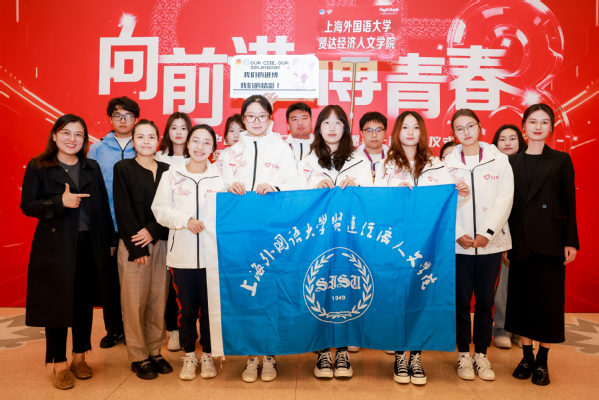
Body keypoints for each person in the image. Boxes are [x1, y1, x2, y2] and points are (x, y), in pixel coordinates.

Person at [373, 111, 470, 385]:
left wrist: (462, 194)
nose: (410, 132)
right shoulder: (385, 164)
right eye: (405, 127)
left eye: (415, 127)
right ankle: (399, 356)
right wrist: (394, 194)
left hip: (428, 245)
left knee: (422, 298)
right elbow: (375, 203)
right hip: (395, 245)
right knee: (398, 299)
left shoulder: (436, 164)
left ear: (422, 132)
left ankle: (415, 357)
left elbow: (447, 204)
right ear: (397, 132)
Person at [20, 115, 115, 389]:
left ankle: (80, 356)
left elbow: (103, 206)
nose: (72, 139)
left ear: (84, 140)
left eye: (78, 134)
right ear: (55, 135)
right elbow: (28, 205)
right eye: (66, 133)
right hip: (56, 246)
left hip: (90, 245)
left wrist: (109, 241)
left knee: (84, 303)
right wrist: (59, 202)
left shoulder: (91, 166)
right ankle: (59, 362)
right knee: (57, 304)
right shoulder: (39, 165)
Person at [217, 94, 303, 383]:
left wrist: (275, 187)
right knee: (245, 290)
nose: (256, 121)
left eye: (262, 116)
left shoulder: (282, 149)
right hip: (240, 234)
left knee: (270, 291)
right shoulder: (229, 154)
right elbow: (216, 188)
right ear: (242, 119)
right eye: (250, 116)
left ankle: (270, 355)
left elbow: (296, 185)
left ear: (270, 119)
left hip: (273, 232)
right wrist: (229, 187)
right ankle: (250, 355)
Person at [505, 104, 579, 386]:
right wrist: (504, 241)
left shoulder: (561, 160)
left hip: (551, 242)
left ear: (551, 127)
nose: (538, 127)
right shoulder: (511, 161)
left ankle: (542, 360)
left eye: (544, 122)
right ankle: (526, 356)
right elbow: (506, 205)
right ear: (523, 126)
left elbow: (569, 203)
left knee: (548, 303)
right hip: (520, 241)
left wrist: (571, 241)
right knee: (522, 302)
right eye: (533, 121)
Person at [297, 105, 372, 379]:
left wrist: (357, 189)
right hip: (316, 239)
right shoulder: (306, 163)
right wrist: (312, 190)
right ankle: (321, 351)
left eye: (337, 123)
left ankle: (341, 351)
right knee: (319, 290)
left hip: (349, 239)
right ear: (318, 128)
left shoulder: (359, 161)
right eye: (326, 123)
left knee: (345, 291)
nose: (331, 128)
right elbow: (295, 201)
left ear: (345, 128)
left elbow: (372, 200)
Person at [444, 109, 514, 382]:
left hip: (490, 244)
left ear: (480, 127)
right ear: (454, 134)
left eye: (470, 126)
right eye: (459, 128)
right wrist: (457, 233)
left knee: (485, 301)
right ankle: (463, 353)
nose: (466, 132)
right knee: (461, 301)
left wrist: (487, 232)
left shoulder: (499, 159)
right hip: (459, 245)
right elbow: (443, 202)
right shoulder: (447, 164)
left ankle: (482, 354)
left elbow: (505, 198)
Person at [153, 124, 227, 381]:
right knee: (186, 310)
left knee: (209, 310)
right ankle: (189, 354)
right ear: (187, 143)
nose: (200, 147)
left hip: (212, 258)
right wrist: (185, 220)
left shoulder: (221, 178)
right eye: (195, 141)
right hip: (181, 257)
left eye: (207, 142)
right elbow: (160, 210)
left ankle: (207, 354)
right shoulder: (171, 175)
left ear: (214, 148)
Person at [113, 120, 172, 380]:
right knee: (134, 302)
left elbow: (173, 207)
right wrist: (137, 248)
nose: (146, 141)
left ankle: (154, 351)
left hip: (162, 244)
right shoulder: (123, 168)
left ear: (158, 140)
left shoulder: (168, 170)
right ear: (133, 141)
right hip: (134, 245)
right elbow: (122, 209)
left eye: (151, 137)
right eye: (140, 137)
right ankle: (138, 356)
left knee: (158, 300)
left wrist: (153, 231)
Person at [87, 96, 140, 348]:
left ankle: (134, 329)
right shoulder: (97, 149)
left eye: (128, 115)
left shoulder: (143, 145)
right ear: (110, 119)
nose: (123, 120)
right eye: (118, 115)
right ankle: (114, 329)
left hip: (135, 225)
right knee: (108, 281)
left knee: (134, 283)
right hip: (105, 225)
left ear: (136, 120)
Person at [155, 112, 194, 352]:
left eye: (183, 128)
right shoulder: (158, 158)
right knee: (170, 286)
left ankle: (193, 329)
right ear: (167, 131)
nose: (179, 132)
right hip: (163, 230)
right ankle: (174, 330)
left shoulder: (198, 157)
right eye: (174, 128)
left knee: (189, 287)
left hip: (192, 231)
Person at [490, 125, 527, 350]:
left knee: (523, 283)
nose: (507, 143)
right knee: (503, 283)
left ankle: (520, 329)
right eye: (502, 139)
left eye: (512, 138)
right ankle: (501, 328)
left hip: (525, 232)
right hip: (499, 229)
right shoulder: (491, 166)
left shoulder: (528, 164)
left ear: (520, 141)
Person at [357, 111, 389, 180]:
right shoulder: (353, 159)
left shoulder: (394, 160)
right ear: (361, 133)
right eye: (369, 131)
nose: (374, 135)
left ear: (385, 133)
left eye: (378, 130)